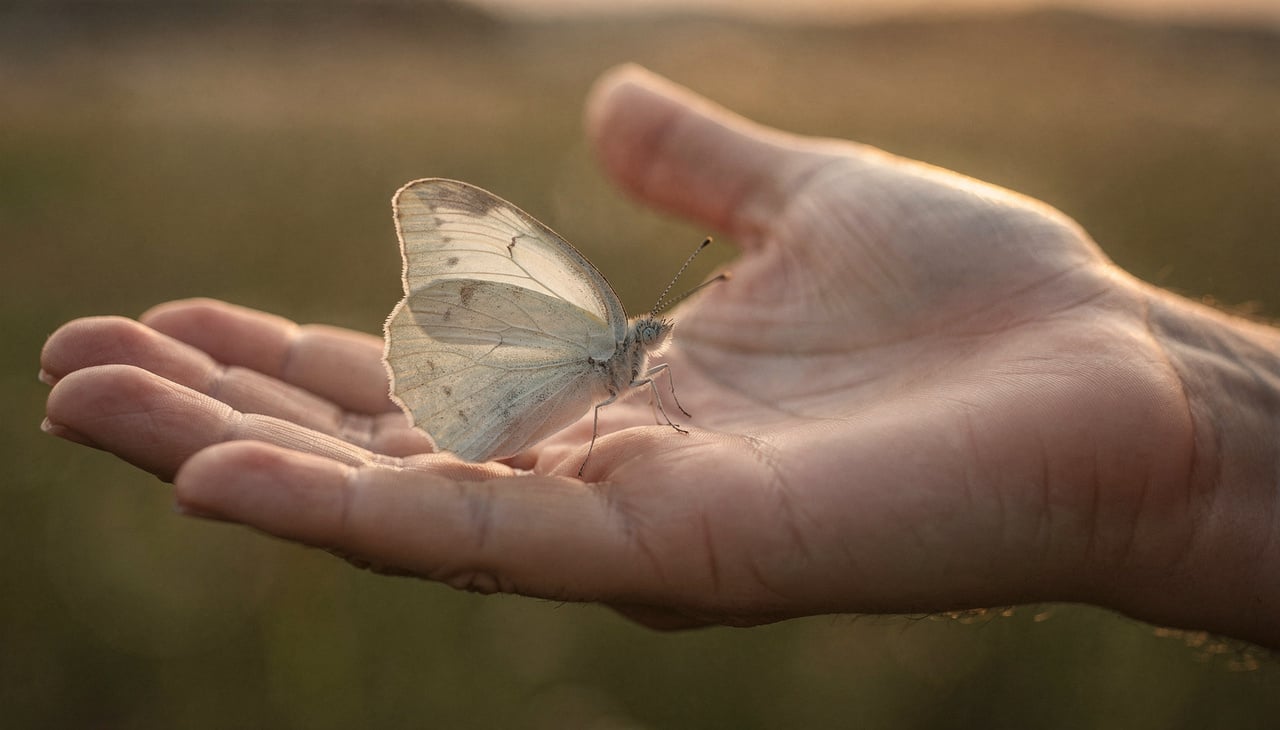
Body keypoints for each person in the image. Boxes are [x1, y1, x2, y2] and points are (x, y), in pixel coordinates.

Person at [39, 65, 1280, 649]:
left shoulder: (630, 348)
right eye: (649, 332)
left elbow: (646, 369)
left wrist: (1202, 441)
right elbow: (634, 364)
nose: (654, 336)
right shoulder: (603, 333)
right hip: (479, 386)